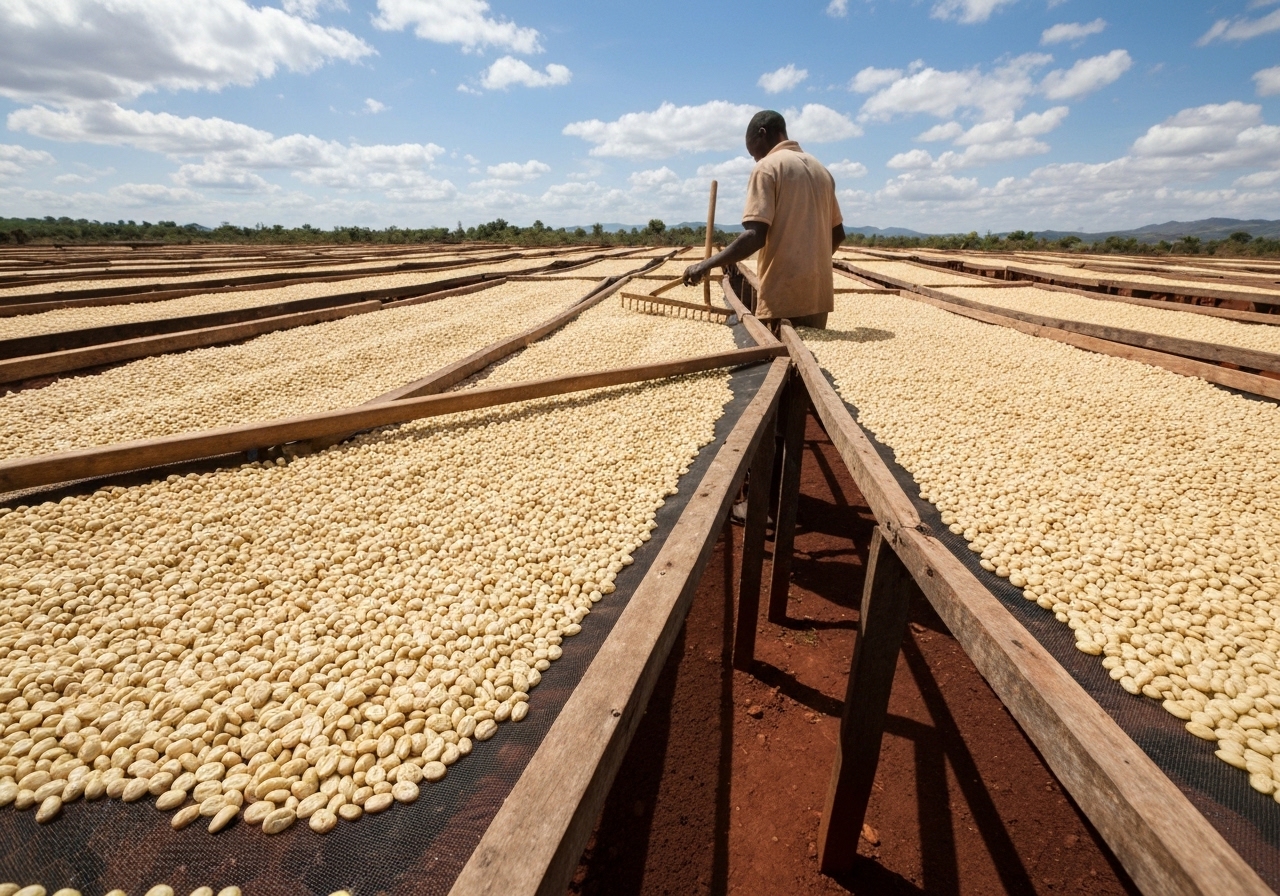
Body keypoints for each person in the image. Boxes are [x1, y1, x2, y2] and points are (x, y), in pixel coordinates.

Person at [683, 109, 845, 329]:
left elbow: (755, 236)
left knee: (782, 358)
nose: (756, 158)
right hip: (819, 298)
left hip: (783, 299)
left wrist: (705, 265)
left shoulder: (768, 167)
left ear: (762, 133)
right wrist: (810, 267)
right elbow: (838, 234)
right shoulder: (822, 171)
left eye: (754, 153)